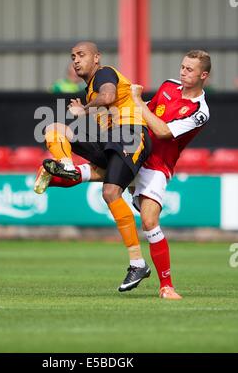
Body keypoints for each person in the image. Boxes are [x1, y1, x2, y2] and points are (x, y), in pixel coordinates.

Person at [36, 49, 211, 299]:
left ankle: (166, 287)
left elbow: (162, 130)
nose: (183, 73)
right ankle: (53, 175)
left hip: (156, 165)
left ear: (203, 75)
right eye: (182, 67)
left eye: (190, 70)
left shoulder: (200, 110)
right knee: (88, 177)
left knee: (149, 222)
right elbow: (140, 114)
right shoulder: (169, 86)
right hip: (132, 147)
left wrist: (138, 102)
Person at [35, 41, 152, 291]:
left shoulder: (104, 73)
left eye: (81, 55)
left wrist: (83, 110)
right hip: (114, 141)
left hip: (131, 135)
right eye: (72, 56)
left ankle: (138, 263)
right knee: (54, 129)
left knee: (110, 192)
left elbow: (109, 95)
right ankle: (65, 166)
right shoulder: (90, 91)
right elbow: (106, 105)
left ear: (96, 58)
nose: (75, 60)